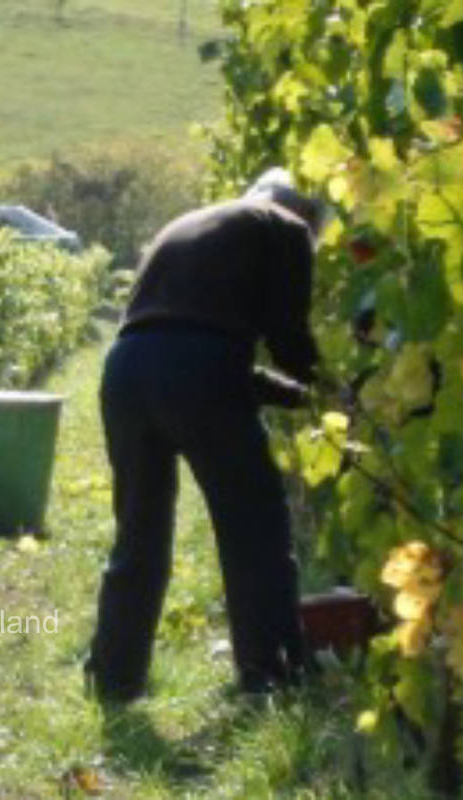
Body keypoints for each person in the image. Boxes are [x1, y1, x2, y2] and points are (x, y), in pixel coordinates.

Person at [85, 168, 326, 703]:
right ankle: (271, 674)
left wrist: (299, 397)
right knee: (254, 529)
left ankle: (113, 677)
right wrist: (335, 390)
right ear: (309, 215)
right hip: (198, 370)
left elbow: (185, 340)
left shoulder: (196, 223)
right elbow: (288, 343)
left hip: (125, 371)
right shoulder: (287, 229)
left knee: (139, 534)